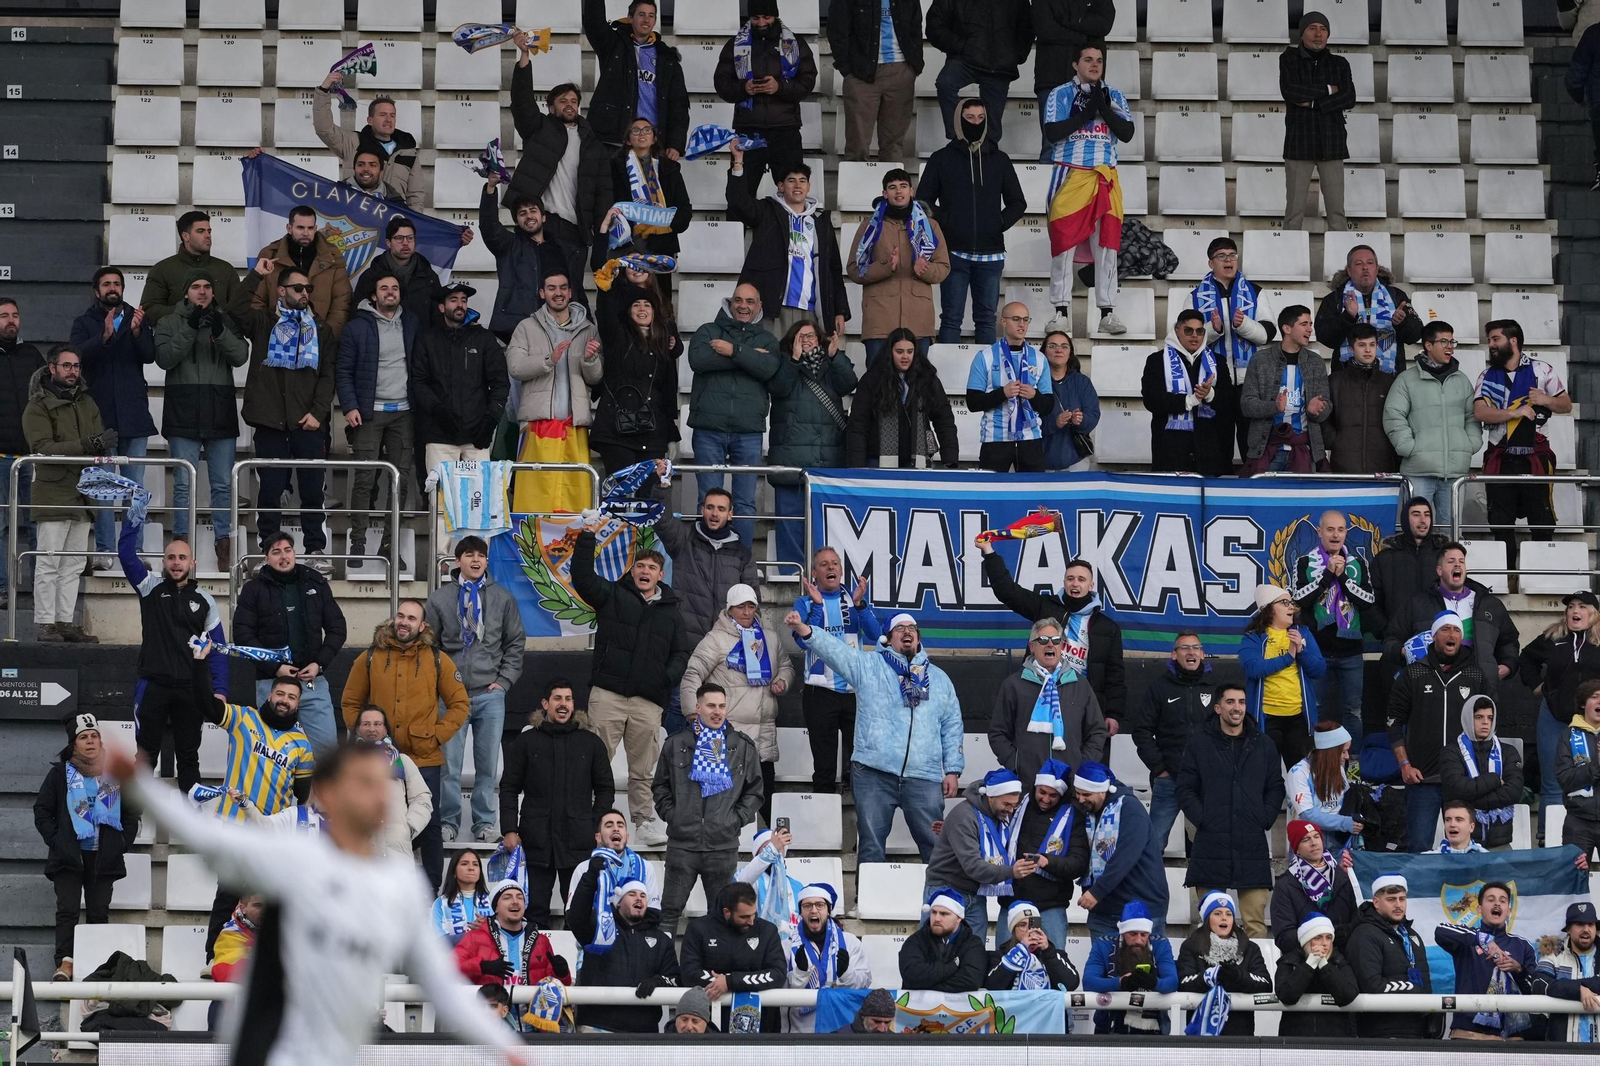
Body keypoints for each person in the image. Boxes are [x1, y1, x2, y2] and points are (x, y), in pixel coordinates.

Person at [107, 741, 529, 1066]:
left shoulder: (400, 884)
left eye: (383, 783)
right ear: (327, 792)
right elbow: (209, 838)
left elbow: (442, 984)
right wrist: (140, 784)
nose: (379, 794)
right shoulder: (296, 858)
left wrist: (508, 1048)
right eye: (364, 782)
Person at [783, 610, 964, 864]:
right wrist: (805, 629)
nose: (907, 632)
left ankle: (941, 901)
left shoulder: (939, 679)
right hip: (873, 773)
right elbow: (836, 651)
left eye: (912, 628)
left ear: (919, 638)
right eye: (900, 629)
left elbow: (952, 724)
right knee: (870, 844)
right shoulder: (869, 666)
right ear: (888, 639)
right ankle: (865, 902)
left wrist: (953, 770)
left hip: (924, 775)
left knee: (934, 845)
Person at [570, 522, 690, 845]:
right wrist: (586, 537)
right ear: (632, 571)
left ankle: (643, 822)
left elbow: (681, 653)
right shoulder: (611, 595)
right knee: (595, 763)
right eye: (640, 566)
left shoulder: (672, 613)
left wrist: (663, 680)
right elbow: (581, 577)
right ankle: (591, 820)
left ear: (660, 575)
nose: (645, 571)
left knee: (644, 770)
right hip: (607, 695)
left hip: (647, 702)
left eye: (652, 567)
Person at [339, 599, 472, 882]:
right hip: (376, 760)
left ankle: (432, 889)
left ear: (422, 625)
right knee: (379, 820)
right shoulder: (371, 657)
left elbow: (460, 703)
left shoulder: (437, 659)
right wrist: (364, 732)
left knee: (430, 824)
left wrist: (436, 735)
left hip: (424, 756)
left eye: (411, 618)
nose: (404, 622)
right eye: (400, 615)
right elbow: (350, 702)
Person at [229, 264, 337, 570]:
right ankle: (270, 551)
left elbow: (328, 376)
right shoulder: (264, 322)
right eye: (298, 289)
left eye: (308, 289)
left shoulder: (321, 328)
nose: (305, 294)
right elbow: (235, 310)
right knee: (271, 491)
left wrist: (318, 413)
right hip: (271, 422)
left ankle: (315, 550)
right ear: (281, 291)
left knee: (313, 491)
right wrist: (255, 275)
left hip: (308, 423)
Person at [423, 536, 525, 844]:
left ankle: (484, 823)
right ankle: (449, 822)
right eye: (469, 555)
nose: (476, 560)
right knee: (449, 767)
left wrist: (504, 682)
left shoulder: (503, 599)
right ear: (457, 562)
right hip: (451, 697)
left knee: (487, 766)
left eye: (481, 555)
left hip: (489, 694)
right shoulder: (439, 599)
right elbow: (428, 646)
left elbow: (515, 643)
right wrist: (441, 685)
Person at [117, 511, 227, 789]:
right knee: (145, 756)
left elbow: (217, 649)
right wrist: (133, 520)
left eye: (181, 558)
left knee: (189, 757)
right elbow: (126, 554)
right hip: (153, 686)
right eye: (171, 558)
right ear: (163, 562)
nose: (176, 563)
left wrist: (220, 690)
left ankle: (191, 822)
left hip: (191, 690)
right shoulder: (149, 588)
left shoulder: (205, 600)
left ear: (192, 563)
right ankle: (131, 819)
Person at [154, 271, 249, 572]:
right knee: (184, 483)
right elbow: (165, 358)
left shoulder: (226, 319)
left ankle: (224, 547)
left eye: (207, 286)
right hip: (183, 408)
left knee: (223, 484)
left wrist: (220, 331)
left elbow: (241, 356)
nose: (202, 292)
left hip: (219, 407)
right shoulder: (169, 321)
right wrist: (191, 327)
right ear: (185, 293)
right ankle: (182, 548)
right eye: (195, 287)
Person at [497, 678, 613, 925]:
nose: (563, 704)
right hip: (536, 841)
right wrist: (509, 829)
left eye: (568, 699)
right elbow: (508, 788)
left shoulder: (591, 743)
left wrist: (594, 827)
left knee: (579, 913)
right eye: (557, 699)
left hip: (579, 842)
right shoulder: (526, 742)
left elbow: (605, 789)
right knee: (534, 912)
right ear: (545, 704)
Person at [35, 713, 140, 981]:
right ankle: (65, 964)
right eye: (84, 737)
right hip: (68, 857)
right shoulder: (60, 774)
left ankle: (95, 965)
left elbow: (132, 814)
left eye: (94, 736)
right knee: (67, 911)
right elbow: (42, 811)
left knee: (98, 913)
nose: (90, 741)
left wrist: (120, 844)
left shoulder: (115, 775)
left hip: (103, 857)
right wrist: (58, 842)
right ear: (74, 744)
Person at [653, 683, 765, 932]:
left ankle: (717, 970)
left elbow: (755, 791)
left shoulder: (742, 746)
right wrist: (674, 816)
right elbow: (660, 787)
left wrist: (734, 819)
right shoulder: (675, 743)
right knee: (669, 913)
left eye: (722, 706)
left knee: (723, 916)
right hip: (682, 844)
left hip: (722, 845)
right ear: (698, 707)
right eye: (711, 705)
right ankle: (665, 971)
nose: (717, 711)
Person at [977, 551, 1128, 732]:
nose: (1075, 583)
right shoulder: (1044, 607)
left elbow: (1115, 675)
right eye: (1070, 578)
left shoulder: (1108, 628)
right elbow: (1007, 591)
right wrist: (990, 554)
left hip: (1084, 704)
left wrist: (1113, 713)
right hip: (1040, 698)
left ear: (1091, 585)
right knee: (1040, 756)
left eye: (1081, 579)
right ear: (1064, 583)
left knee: (1085, 759)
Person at [916, 98, 1027, 345]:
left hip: (991, 256)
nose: (975, 123)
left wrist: (996, 223)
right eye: (969, 118)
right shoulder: (941, 158)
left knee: (987, 319)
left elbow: (1018, 202)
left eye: (980, 118)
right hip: (953, 253)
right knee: (951, 319)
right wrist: (948, 222)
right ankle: (948, 379)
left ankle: (988, 380)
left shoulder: (1000, 159)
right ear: (958, 121)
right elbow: (922, 202)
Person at [1177, 684, 1284, 939]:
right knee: (1210, 930)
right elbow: (1185, 788)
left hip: (1252, 847)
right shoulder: (1199, 743)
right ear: (1218, 707)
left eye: (1242, 702)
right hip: (1211, 845)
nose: (1237, 708)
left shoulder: (1264, 744)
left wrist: (1265, 818)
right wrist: (1204, 819)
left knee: (1256, 927)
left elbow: (1276, 787)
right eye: (1230, 702)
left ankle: (1257, 977)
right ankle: (1209, 978)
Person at [679, 585, 794, 821]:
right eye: (740, 606)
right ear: (729, 609)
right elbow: (692, 674)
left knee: (765, 800)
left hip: (763, 737)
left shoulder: (769, 638)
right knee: (725, 804)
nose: (746, 611)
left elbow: (786, 666)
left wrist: (782, 680)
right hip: (726, 737)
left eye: (751, 606)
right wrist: (693, 714)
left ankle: (771, 851)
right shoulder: (716, 639)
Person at [1042, 44, 1135, 335]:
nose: (1095, 65)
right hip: (1070, 175)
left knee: (1107, 245)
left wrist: (1102, 106)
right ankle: (1060, 311)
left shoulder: (1114, 94)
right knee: (1063, 246)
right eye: (1088, 60)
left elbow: (1128, 133)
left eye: (1099, 61)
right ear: (1075, 64)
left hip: (1105, 176)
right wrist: (1086, 113)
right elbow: (1052, 132)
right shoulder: (1060, 93)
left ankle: (1107, 312)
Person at [507, 39, 610, 292]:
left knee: (570, 292)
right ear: (551, 108)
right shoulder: (540, 130)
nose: (570, 104)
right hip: (544, 223)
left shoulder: (593, 145)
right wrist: (524, 57)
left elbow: (603, 193)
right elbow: (521, 103)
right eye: (563, 101)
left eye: (574, 100)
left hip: (577, 231)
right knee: (535, 290)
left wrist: (601, 237)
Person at [70, 267, 157, 566]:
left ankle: (134, 552)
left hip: (133, 413)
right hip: (100, 416)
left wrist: (135, 332)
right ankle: (106, 551)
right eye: (106, 284)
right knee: (105, 490)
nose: (112, 288)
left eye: (117, 284)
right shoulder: (84, 322)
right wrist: (103, 336)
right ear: (96, 291)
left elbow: (150, 355)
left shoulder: (137, 318)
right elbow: (76, 358)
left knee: (136, 490)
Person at [683, 282, 781, 546]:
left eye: (750, 301)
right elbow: (699, 360)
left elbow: (768, 368)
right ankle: (704, 558)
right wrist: (748, 357)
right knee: (707, 500)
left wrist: (733, 350)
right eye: (738, 300)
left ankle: (742, 561)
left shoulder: (768, 340)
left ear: (759, 306)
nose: (743, 306)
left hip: (748, 431)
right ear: (730, 302)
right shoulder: (707, 330)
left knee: (745, 504)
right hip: (708, 428)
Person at [232, 530, 347, 754]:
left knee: (327, 755)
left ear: (294, 553)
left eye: (287, 550)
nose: (283, 556)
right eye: (276, 552)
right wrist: (275, 667)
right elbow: (243, 635)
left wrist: (319, 664)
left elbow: (337, 628)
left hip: (313, 681)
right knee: (273, 754)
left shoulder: (316, 582)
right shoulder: (253, 590)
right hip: (272, 683)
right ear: (266, 558)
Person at [21, 345, 108, 642]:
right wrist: (87, 445)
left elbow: (98, 444)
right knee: (49, 561)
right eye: (67, 365)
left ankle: (64, 622)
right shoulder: (36, 406)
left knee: (72, 564)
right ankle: (46, 623)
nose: (73, 371)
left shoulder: (88, 403)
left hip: (83, 492)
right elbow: (42, 448)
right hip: (52, 491)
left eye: (77, 366)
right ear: (52, 368)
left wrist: (97, 446)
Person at [337, 272, 420, 573]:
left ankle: (390, 544)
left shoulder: (411, 323)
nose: (390, 292)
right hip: (368, 413)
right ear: (373, 295)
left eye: (395, 288)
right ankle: (357, 542)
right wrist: (349, 406)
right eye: (384, 288)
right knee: (364, 479)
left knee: (400, 481)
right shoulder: (357, 327)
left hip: (404, 413)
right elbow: (343, 370)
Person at [651, 477, 757, 707]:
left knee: (721, 714)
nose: (714, 513)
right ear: (702, 509)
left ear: (730, 514)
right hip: (685, 647)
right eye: (710, 507)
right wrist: (663, 487)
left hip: (726, 652)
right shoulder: (684, 538)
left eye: (721, 508)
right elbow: (661, 520)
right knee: (682, 711)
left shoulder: (742, 554)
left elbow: (752, 606)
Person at [1475, 318, 1571, 572]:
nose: (1491, 345)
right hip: (1500, 458)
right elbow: (1480, 413)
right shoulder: (1486, 375)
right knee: (1501, 523)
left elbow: (1566, 404)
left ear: (1513, 341)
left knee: (1541, 521)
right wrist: (1512, 413)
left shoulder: (1542, 370)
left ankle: (1541, 576)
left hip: (1535, 457)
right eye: (1490, 341)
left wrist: (1546, 399)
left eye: (1496, 339)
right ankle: (1507, 577)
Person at [727, 148, 850, 343]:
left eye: (802, 180)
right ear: (781, 186)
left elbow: (833, 269)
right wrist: (738, 162)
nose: (797, 185)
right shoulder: (767, 211)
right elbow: (738, 202)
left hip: (811, 308)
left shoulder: (821, 221)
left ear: (809, 186)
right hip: (773, 307)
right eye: (791, 180)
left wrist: (840, 310)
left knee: (806, 366)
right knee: (769, 362)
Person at [1388, 611, 1487, 851]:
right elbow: (1393, 722)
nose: (1451, 635)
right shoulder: (1414, 673)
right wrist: (1404, 765)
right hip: (1422, 779)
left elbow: (1489, 724)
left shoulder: (1475, 674)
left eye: (1456, 630)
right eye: (1445, 630)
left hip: (1462, 780)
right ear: (1434, 637)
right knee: (1419, 847)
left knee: (1466, 848)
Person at [504, 270, 602, 515]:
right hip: (538, 424)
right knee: (535, 494)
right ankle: (532, 547)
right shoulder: (526, 326)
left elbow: (596, 377)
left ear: (570, 292)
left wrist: (590, 360)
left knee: (576, 495)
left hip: (574, 425)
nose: (557, 293)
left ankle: (574, 547)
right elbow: (515, 367)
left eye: (562, 288)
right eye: (551, 288)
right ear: (542, 293)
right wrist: (550, 359)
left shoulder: (588, 329)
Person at [767, 320, 858, 566]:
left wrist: (835, 355)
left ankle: (823, 576)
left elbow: (849, 383)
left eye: (811, 336)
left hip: (826, 459)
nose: (806, 340)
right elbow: (778, 387)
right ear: (791, 340)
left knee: (825, 525)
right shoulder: (782, 362)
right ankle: (791, 576)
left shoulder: (832, 363)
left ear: (820, 339)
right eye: (800, 336)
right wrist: (794, 360)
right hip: (790, 458)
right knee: (789, 522)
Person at [791, 552, 881, 793]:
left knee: (860, 762)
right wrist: (818, 607)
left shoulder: (855, 599)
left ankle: (860, 821)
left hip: (855, 691)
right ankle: (823, 824)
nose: (830, 567)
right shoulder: (805, 602)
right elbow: (803, 642)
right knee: (824, 766)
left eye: (835, 563)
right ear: (814, 573)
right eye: (823, 564)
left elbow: (875, 634)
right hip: (820, 692)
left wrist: (860, 605)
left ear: (841, 571)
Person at [1382, 542, 1518, 699]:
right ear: (1439, 570)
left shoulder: (1490, 604)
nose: (1457, 564)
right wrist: (1404, 652)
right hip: (1430, 693)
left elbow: (1509, 642)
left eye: (1461, 561)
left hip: (1480, 690)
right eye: (1451, 561)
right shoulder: (1417, 603)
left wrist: (1508, 665)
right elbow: (1391, 639)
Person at [713, 0, 818, 195]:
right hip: (748, 129)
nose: (761, 23)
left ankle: (789, 227)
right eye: (755, 17)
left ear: (775, 16)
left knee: (792, 193)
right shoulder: (735, 44)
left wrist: (780, 86)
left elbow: (807, 82)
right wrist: (745, 88)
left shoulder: (796, 43)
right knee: (741, 193)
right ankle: (739, 227)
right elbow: (721, 84)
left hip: (785, 130)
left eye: (766, 17)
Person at [1382, 321, 1478, 530]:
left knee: (1449, 537)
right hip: (1418, 471)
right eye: (1443, 341)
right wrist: (1410, 448)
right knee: (1413, 533)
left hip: (1455, 472)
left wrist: (1470, 444)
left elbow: (1472, 417)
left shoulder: (1462, 380)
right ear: (1427, 345)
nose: (1450, 346)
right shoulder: (1406, 379)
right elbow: (1393, 415)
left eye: (1452, 341)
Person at [1126, 634, 1217, 854]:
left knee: (1211, 843)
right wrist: (1160, 768)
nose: (1191, 652)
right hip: (1169, 780)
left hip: (1208, 780)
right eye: (1184, 648)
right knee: (1153, 844)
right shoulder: (1159, 687)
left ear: (1203, 654)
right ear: (1174, 654)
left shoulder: (1216, 686)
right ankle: (1148, 888)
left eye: (1196, 647)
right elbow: (1142, 731)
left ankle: (1208, 889)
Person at [988, 617, 1107, 784]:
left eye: (1056, 640)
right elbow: (998, 733)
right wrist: (1016, 764)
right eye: (1043, 640)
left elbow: (1097, 732)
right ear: (1032, 647)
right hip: (1029, 784)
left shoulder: (1079, 684)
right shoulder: (1013, 685)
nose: (1050, 644)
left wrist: (1081, 764)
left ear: (1062, 646)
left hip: (1070, 783)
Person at [847, 169, 950, 360]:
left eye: (903, 186)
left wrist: (925, 269)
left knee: (917, 382)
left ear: (911, 191)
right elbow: (854, 269)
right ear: (885, 194)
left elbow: (943, 267)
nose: (898, 191)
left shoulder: (930, 225)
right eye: (892, 187)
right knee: (878, 382)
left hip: (918, 321)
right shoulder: (870, 226)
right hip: (880, 320)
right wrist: (885, 267)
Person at [1292, 510, 1375, 746]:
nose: (1335, 535)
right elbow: (1299, 599)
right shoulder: (1306, 562)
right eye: (1330, 529)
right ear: (1319, 532)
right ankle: (1317, 759)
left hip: (1350, 651)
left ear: (1346, 533)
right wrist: (1327, 574)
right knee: (1316, 707)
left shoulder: (1358, 564)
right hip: (1316, 650)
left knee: (1353, 711)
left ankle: (1355, 763)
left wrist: (1344, 580)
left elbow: (1368, 601)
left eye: (1340, 530)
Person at [1520, 591, 1600, 837]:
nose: (1575, 611)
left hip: (1593, 722)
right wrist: (1539, 686)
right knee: (1553, 783)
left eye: (1582, 606)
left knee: (1591, 779)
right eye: (1571, 607)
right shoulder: (1553, 637)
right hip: (1553, 718)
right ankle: (1549, 840)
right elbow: (1526, 659)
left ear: (1594, 613)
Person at [923, 768, 1030, 942]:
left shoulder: (998, 813)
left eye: (1014, 805)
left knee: (974, 953)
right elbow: (974, 866)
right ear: (991, 797)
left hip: (975, 892)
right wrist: (1012, 872)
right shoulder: (964, 816)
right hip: (946, 888)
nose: (1010, 811)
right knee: (933, 949)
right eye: (1006, 804)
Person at [567, 871, 679, 1034]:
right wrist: (589, 879)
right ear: (618, 902)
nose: (639, 898)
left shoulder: (661, 940)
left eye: (643, 895)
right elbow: (576, 917)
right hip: (598, 1026)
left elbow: (675, 978)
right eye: (631, 894)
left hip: (643, 1032)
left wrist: (658, 981)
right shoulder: (599, 928)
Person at [480, 171, 586, 339]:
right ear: (517, 221)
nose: (528, 216)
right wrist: (490, 189)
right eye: (522, 213)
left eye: (532, 211)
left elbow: (576, 291)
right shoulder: (508, 245)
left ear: (543, 217)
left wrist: (587, 325)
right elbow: (488, 226)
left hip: (560, 327)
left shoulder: (565, 250)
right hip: (518, 328)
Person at [588, 283, 681, 475]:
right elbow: (605, 314)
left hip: (652, 433)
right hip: (615, 431)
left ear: (654, 312)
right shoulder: (617, 336)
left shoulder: (662, 344)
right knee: (618, 499)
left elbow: (666, 393)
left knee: (647, 498)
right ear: (628, 311)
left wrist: (671, 434)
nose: (642, 309)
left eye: (647, 305)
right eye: (636, 304)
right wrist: (605, 289)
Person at [1072, 762, 1169, 938]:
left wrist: (1097, 891)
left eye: (1086, 794)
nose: (1080, 799)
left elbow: (1125, 856)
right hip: (1103, 909)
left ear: (1103, 790)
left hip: (1142, 906)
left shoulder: (1130, 809)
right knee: (1103, 965)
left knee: (1145, 965)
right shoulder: (1088, 811)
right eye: (1077, 793)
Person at [1280, 11, 1355, 231]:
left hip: (1332, 141)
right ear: (1302, 33)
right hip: (1298, 142)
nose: (1318, 34)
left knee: (1337, 211)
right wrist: (1329, 90)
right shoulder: (1289, 58)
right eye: (1312, 28)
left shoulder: (1339, 63)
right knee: (1293, 212)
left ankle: (1342, 260)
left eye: (1323, 29)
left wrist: (1314, 103)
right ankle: (1289, 258)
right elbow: (1291, 91)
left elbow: (1349, 97)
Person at [1002, 760, 1089, 948]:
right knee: (1003, 965)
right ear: (1034, 786)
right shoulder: (1017, 805)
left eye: (1053, 795)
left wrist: (1046, 861)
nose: (1046, 799)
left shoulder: (1074, 816)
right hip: (1012, 902)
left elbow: (1079, 863)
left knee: (1054, 966)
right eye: (1042, 792)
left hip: (1050, 906)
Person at [842, 328, 960, 467]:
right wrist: (856, 465)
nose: (905, 357)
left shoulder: (928, 379)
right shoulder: (872, 380)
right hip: (876, 460)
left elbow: (944, 419)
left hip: (918, 461)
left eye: (910, 351)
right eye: (899, 352)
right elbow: (858, 424)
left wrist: (950, 458)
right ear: (889, 352)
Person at [584, 0, 690, 154]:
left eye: (651, 16)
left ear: (655, 21)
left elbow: (678, 105)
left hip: (651, 143)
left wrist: (675, 143)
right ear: (630, 18)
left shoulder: (667, 59)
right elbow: (594, 22)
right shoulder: (613, 45)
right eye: (641, 14)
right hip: (613, 141)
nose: (646, 20)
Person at [1436, 882, 1539, 1040]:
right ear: (1479, 909)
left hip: (1511, 1037)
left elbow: (1535, 990)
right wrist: (1482, 938)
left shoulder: (1522, 945)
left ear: (1509, 911)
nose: (1497, 903)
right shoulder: (1468, 939)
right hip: (1468, 1032)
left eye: (1503, 901)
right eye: (1491, 899)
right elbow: (1441, 930)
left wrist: (1519, 970)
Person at [1240, 583, 1327, 770]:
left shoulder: (1302, 633)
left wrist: (1301, 651)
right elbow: (1252, 668)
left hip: (1298, 718)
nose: (1291, 607)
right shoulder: (1254, 637)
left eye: (1291, 602)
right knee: (1266, 774)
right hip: (1266, 718)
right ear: (1269, 609)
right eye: (1284, 602)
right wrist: (1288, 657)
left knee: (1299, 775)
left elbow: (1319, 670)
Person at [1142, 309, 1237, 476]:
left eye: (1199, 331)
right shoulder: (1156, 360)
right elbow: (1151, 400)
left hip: (1210, 450)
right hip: (1171, 450)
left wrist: (1210, 394)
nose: (1195, 335)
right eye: (1188, 330)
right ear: (1177, 331)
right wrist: (1188, 401)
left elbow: (1229, 400)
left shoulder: (1218, 361)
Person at [1238, 305, 1332, 474]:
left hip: (1305, 450)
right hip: (1267, 449)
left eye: (1310, 324)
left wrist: (1316, 410)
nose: (1310, 329)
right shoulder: (1260, 360)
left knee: (1302, 500)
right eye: (1304, 324)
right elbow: (1246, 404)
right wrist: (1274, 407)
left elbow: (1326, 407)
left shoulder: (1316, 362)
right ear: (1287, 328)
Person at [679, 881, 786, 1028]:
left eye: (754, 914)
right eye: (744, 917)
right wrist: (720, 983)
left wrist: (730, 982)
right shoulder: (699, 929)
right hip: (712, 1024)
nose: (752, 921)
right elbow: (688, 972)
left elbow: (778, 973)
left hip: (762, 1025)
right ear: (726, 912)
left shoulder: (767, 931)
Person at [1191, 237, 1278, 416]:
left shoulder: (1256, 292)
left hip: (1250, 381)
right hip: (1214, 382)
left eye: (1232, 255)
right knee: (1219, 442)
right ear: (1210, 263)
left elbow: (1267, 335)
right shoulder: (1194, 296)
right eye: (1221, 256)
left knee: (1249, 441)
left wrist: (1243, 324)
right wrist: (1213, 330)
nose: (1229, 259)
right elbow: (1186, 339)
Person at [926, 0, 1033, 143]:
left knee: (992, 132)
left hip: (1000, 65)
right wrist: (962, 46)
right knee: (945, 83)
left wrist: (1016, 55)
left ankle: (988, 156)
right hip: (964, 59)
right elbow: (935, 25)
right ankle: (957, 139)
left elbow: (1026, 26)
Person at [827, 0, 923, 161]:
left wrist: (914, 66)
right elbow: (837, 29)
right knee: (857, 146)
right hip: (861, 73)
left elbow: (916, 27)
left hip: (901, 71)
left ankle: (891, 185)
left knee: (893, 146)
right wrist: (847, 69)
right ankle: (857, 186)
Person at [1346, 873, 1439, 1038]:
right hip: (1380, 1031)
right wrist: (1413, 989)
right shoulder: (1365, 933)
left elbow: (1425, 981)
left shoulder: (1413, 936)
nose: (1398, 905)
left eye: (1402, 899)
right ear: (1376, 902)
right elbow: (1371, 985)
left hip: (1417, 1029)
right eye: (1391, 899)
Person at [602, 120, 693, 283]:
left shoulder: (670, 168)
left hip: (662, 244)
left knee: (660, 302)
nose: (642, 133)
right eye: (635, 130)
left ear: (654, 138)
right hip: (627, 243)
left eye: (647, 130)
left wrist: (664, 222)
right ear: (628, 140)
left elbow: (684, 209)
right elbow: (607, 203)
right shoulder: (613, 167)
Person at [967, 301, 1053, 472]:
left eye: (1026, 319)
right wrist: (1002, 393)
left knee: (1032, 495)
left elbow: (1049, 406)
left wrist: (1034, 395)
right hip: (996, 439)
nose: (1022, 324)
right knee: (991, 496)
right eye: (1016, 319)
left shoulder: (1039, 358)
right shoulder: (985, 356)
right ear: (1003, 322)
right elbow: (973, 402)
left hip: (1030, 439)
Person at [250, 205, 353, 341]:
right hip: (277, 341)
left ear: (316, 229)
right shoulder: (269, 255)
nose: (306, 233)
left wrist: (325, 337)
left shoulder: (333, 258)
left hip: (319, 341)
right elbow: (256, 299)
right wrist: (269, 332)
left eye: (310, 228)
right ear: (289, 228)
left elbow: (341, 304)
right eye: (300, 227)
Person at [1316, 245, 1423, 375]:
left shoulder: (1396, 296)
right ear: (1349, 271)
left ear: (1377, 269)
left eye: (1370, 263)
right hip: (1347, 380)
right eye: (1358, 264)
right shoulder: (1335, 299)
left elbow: (1416, 335)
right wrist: (1347, 317)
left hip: (1388, 378)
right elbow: (1324, 337)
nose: (1365, 268)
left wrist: (1402, 323)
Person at [454, 878, 571, 996]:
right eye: (507, 897)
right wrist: (481, 966)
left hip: (530, 1013)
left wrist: (561, 974)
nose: (515, 901)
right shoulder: (474, 938)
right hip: (489, 1012)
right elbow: (449, 969)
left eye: (520, 897)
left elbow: (555, 990)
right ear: (496, 908)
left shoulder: (541, 941)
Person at [1175, 893, 1272, 1035]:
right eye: (1217, 913)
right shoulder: (1191, 946)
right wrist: (1210, 977)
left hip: (1241, 1035)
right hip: (1201, 1035)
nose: (1224, 918)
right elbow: (1183, 983)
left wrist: (1238, 977)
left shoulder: (1250, 948)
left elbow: (1266, 984)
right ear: (1208, 918)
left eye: (1229, 914)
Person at [783, 883, 872, 1032]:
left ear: (828, 910)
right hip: (800, 1033)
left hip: (841, 1028)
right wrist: (800, 974)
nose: (813, 910)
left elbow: (864, 984)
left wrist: (846, 973)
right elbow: (779, 995)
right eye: (807, 906)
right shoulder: (786, 946)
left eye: (820, 905)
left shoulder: (849, 943)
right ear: (801, 912)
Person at [1440, 694, 1523, 851]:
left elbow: (1514, 792)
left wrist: (1471, 797)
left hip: (1500, 843)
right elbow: (1457, 790)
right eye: (1479, 717)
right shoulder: (1450, 752)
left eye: (1490, 717)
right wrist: (1494, 780)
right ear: (1467, 718)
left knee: (1502, 876)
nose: (1485, 722)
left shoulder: (1508, 752)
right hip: (1461, 845)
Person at [1082, 901, 1179, 1035]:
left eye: (1144, 934)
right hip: (1110, 1026)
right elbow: (1089, 982)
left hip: (1154, 1028)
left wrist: (1153, 982)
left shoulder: (1160, 943)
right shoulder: (1104, 943)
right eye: (1132, 934)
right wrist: (1120, 983)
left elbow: (1172, 982)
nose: (1138, 940)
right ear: (1122, 932)